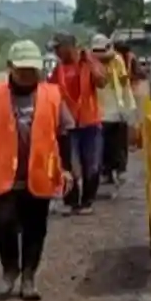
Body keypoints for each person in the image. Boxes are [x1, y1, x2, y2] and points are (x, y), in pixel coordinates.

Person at [0, 39, 75, 301]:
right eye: (22, 70)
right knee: (4, 224)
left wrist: (68, 169)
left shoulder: (52, 95)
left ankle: (28, 277)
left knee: (35, 228)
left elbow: (64, 134)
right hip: (6, 177)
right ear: (9, 68)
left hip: (40, 175)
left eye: (32, 70)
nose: (28, 75)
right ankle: (10, 270)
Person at [48, 32, 107, 214]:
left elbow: (102, 81)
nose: (56, 52)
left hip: (90, 123)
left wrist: (89, 61)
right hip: (68, 127)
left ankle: (87, 201)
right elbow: (49, 93)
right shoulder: (58, 70)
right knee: (69, 165)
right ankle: (72, 202)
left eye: (58, 48)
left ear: (69, 47)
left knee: (92, 164)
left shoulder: (88, 64)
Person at [90, 34, 136, 186]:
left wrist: (128, 107)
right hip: (99, 110)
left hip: (117, 107)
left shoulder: (117, 60)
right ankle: (106, 171)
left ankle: (118, 169)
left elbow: (123, 84)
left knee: (118, 143)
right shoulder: (90, 63)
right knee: (103, 145)